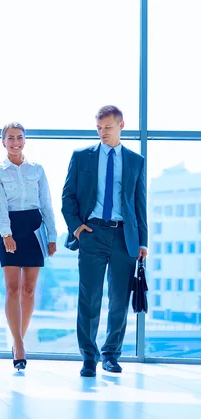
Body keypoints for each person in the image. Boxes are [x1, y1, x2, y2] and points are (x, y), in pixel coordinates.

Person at [61, 105, 148, 377]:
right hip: (92, 233)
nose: (102, 133)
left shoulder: (135, 161)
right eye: (98, 128)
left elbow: (139, 204)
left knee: (119, 299)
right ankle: (89, 357)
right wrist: (77, 228)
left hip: (124, 236)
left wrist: (142, 242)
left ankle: (111, 354)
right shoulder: (82, 157)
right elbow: (68, 197)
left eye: (108, 128)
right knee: (89, 298)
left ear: (121, 125)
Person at [0, 122, 57, 371]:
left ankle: (19, 341)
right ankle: (18, 346)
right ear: (3, 141)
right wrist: (6, 234)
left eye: (19, 137)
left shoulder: (37, 169)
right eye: (10, 138)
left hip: (34, 227)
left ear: (25, 140)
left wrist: (52, 236)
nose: (15, 142)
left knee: (29, 289)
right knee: (12, 288)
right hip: (10, 226)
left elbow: (46, 203)